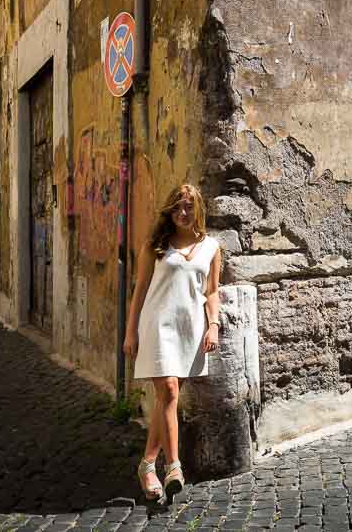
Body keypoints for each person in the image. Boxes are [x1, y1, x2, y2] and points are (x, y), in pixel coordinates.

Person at [123, 184, 222, 502]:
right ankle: (174, 467)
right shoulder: (155, 244)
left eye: (189, 207)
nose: (182, 213)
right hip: (157, 326)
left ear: (198, 211)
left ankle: (147, 465)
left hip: (189, 329)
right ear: (170, 210)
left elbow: (212, 292)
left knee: (167, 398)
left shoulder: (211, 247)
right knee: (168, 390)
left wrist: (214, 326)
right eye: (178, 207)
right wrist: (130, 332)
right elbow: (139, 291)